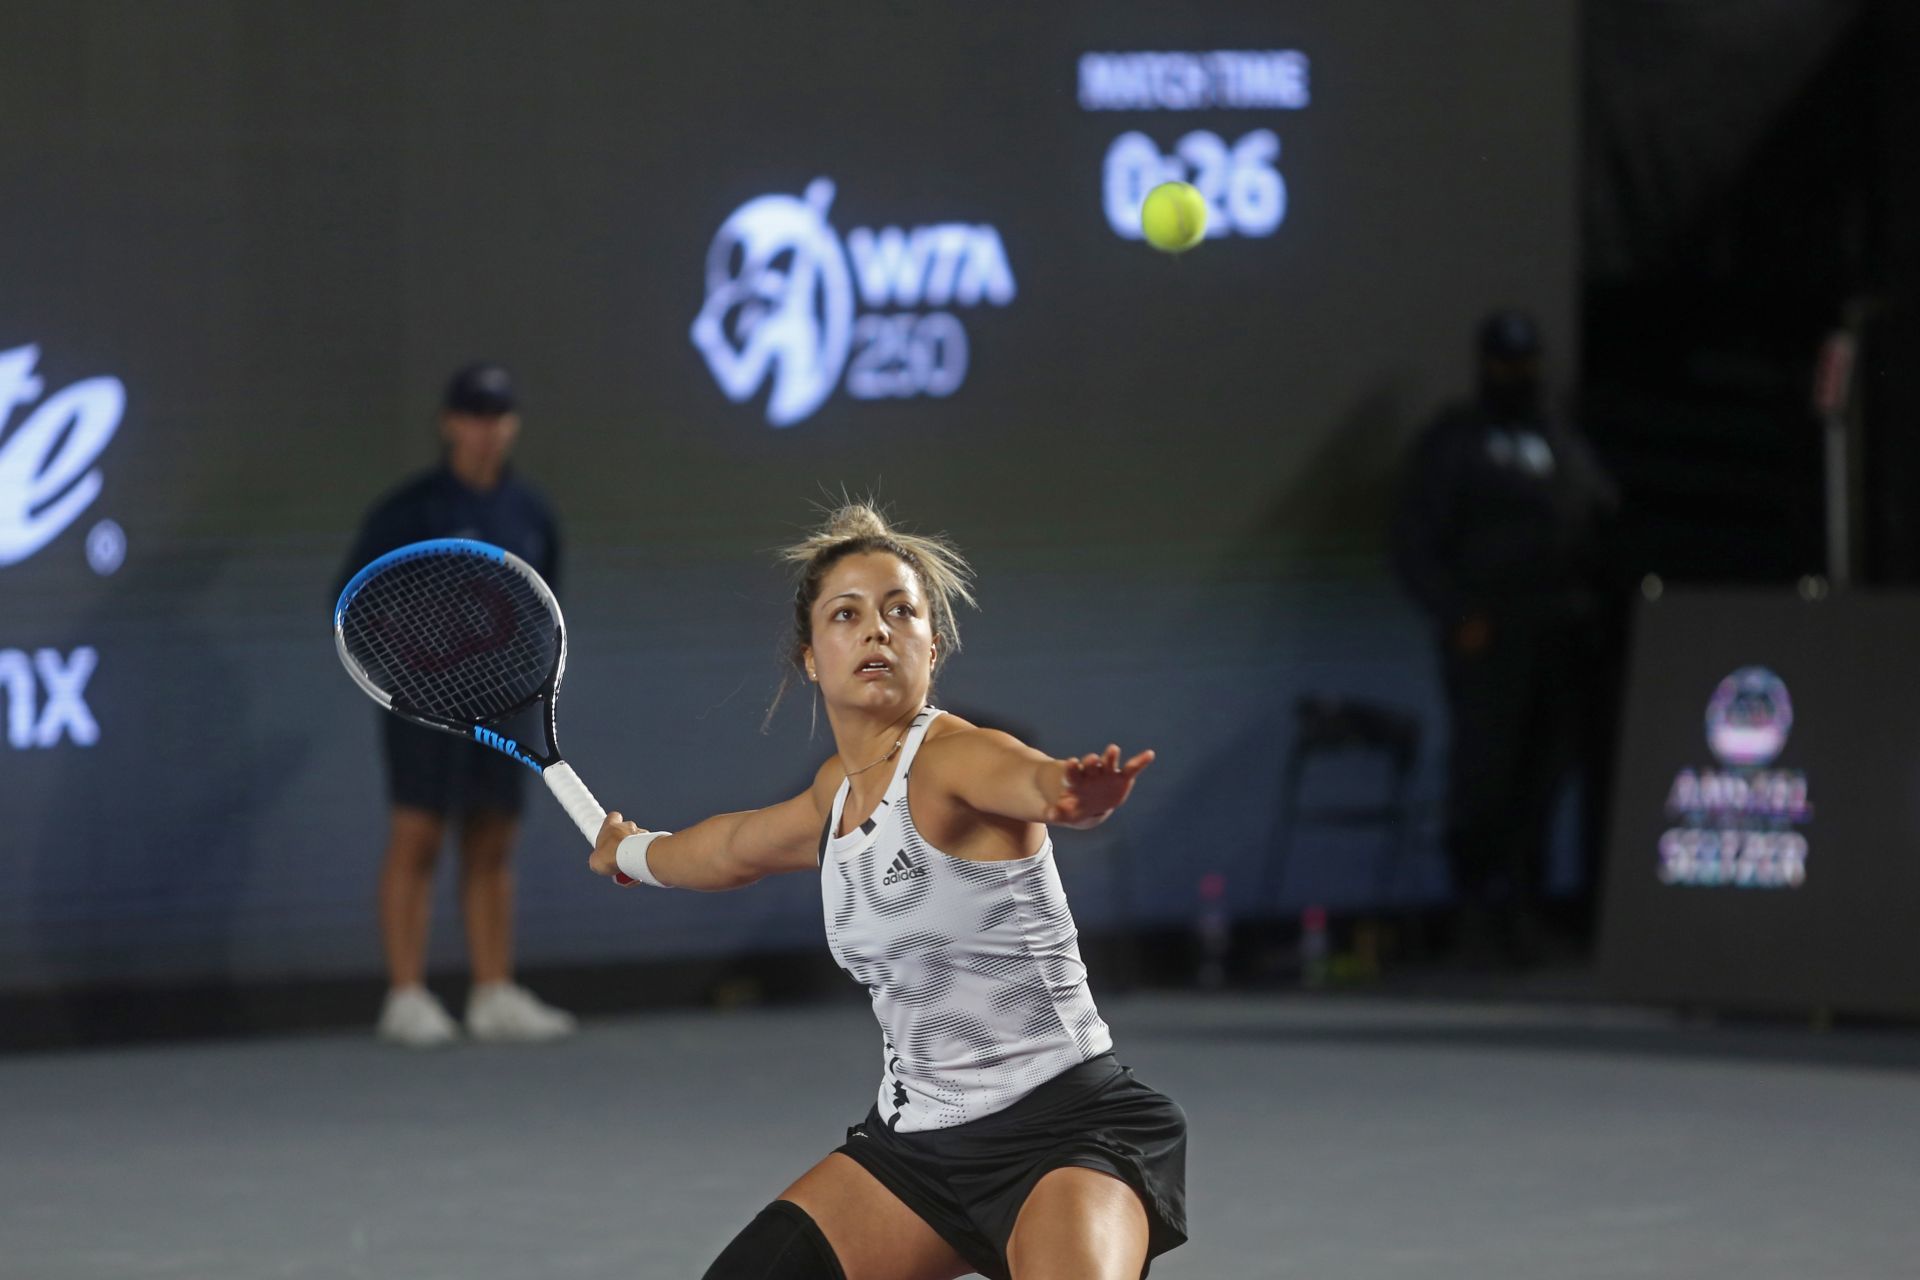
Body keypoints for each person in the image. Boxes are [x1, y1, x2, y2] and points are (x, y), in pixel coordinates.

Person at [587, 503, 1188, 1280]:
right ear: (811, 657)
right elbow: (730, 849)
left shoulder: (953, 760)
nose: (877, 629)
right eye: (848, 614)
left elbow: (1023, 775)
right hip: (917, 1155)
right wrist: (630, 852)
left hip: (1066, 1134)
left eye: (901, 611)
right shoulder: (834, 798)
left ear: (931, 648)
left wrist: (1064, 794)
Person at [338, 361, 576, 1047]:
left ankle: (493, 992)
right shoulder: (407, 512)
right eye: (473, 416)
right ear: (448, 423)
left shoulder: (530, 512)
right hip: (421, 702)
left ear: (512, 425)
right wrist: (404, 668)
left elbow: (544, 603)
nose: (485, 431)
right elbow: (352, 602)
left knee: (494, 838)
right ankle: (406, 996)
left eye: (497, 417)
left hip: (502, 701)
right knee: (418, 837)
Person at [1392, 311, 1621, 963]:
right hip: (1489, 640)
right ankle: (1473, 910)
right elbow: (1413, 544)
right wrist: (1457, 613)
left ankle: (1526, 907)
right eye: (1506, 365)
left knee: (1544, 776)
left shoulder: (1557, 439)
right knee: (1484, 773)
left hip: (1558, 635)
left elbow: (1599, 512)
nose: (1518, 377)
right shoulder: (1455, 442)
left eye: (1527, 365)